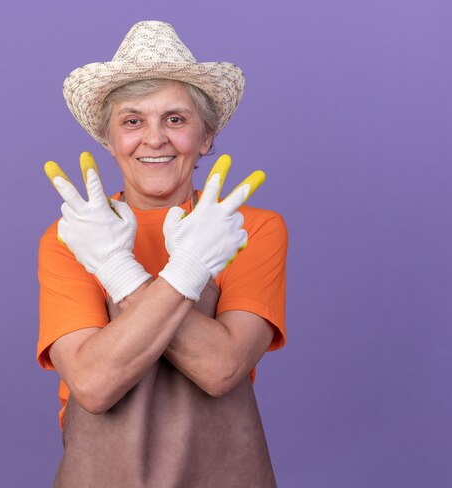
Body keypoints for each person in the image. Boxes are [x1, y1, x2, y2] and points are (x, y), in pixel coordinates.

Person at [37, 20, 288, 488]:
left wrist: (115, 270)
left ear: (205, 138)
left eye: (175, 119)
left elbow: (221, 368)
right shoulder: (69, 237)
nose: (154, 139)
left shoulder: (250, 230)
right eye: (132, 121)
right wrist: (164, 269)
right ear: (110, 142)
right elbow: (93, 385)